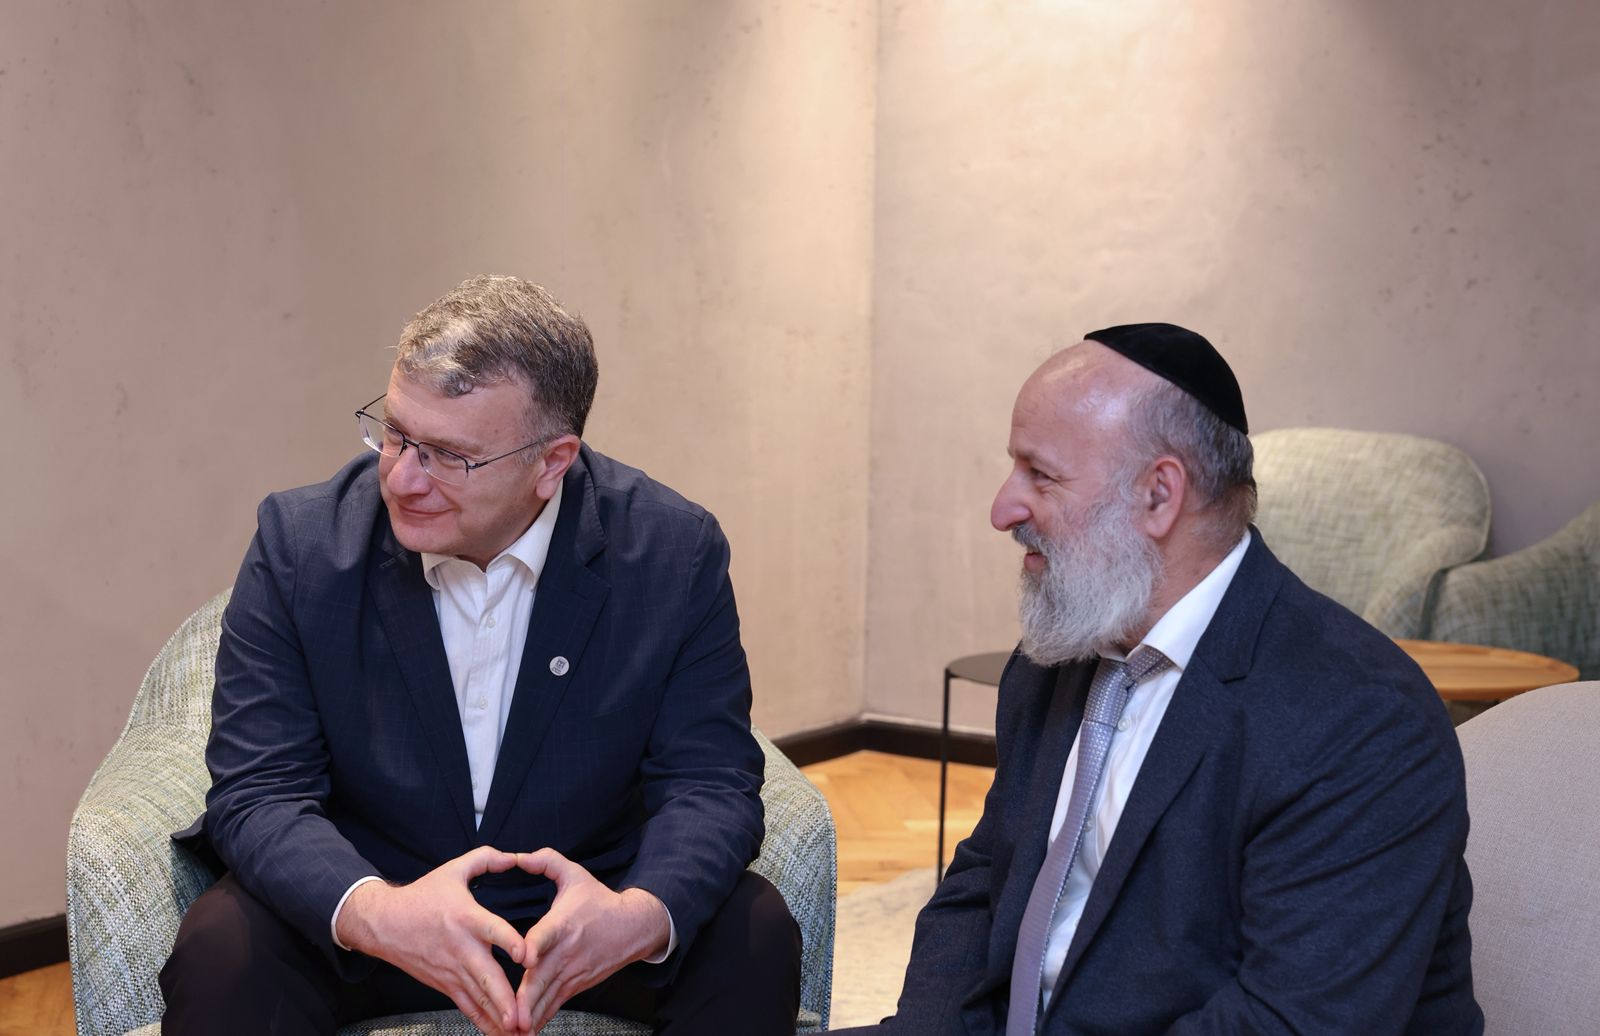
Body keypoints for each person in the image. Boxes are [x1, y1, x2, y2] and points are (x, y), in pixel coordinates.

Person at [160, 276, 801, 1036]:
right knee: (222, 950)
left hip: (584, 910)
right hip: (378, 902)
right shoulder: (300, 548)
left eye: (448, 456)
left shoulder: (672, 553)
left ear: (552, 461)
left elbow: (710, 781)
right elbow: (259, 788)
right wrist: (375, 911)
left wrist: (637, 913)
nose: (402, 478)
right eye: (395, 434)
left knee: (753, 936)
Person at [853, 323, 1482, 1034]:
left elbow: (1290, 1020)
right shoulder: (1056, 657)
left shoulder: (1361, 720)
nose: (1003, 509)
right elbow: (982, 882)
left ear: (1159, 495)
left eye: (1041, 475)